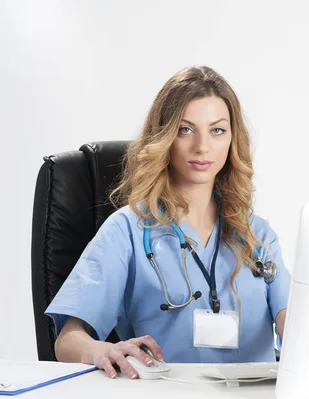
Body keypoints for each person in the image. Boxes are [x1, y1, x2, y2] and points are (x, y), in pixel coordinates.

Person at [44, 66, 291, 380]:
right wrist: (101, 350)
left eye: (217, 130)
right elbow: (67, 342)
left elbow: (294, 324)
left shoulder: (257, 235)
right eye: (185, 129)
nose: (202, 146)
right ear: (164, 136)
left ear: (232, 139)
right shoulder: (128, 231)